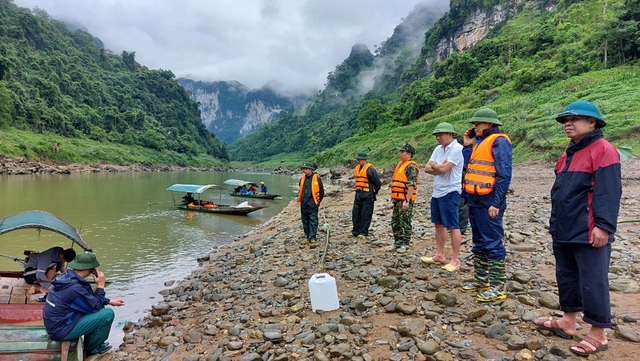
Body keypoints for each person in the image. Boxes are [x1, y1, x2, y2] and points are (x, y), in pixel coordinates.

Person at [532, 100, 621, 357]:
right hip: (564, 227)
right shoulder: (568, 154)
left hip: (588, 229)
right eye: (564, 121)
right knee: (567, 275)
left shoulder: (603, 150)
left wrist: (603, 226)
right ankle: (568, 321)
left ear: (592, 122)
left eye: (574, 119)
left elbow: (608, 192)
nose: (567, 124)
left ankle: (597, 333)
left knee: (593, 281)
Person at [461, 108, 512, 302]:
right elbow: (469, 166)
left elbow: (504, 174)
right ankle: (481, 280)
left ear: (489, 124)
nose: (474, 127)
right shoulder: (479, 143)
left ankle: (498, 286)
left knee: (492, 241)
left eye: (477, 124)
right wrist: (467, 146)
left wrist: (497, 203)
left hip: (490, 200)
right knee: (479, 242)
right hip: (474, 198)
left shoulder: (500, 141)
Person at [43, 252, 125, 356]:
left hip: (55, 325)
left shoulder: (67, 277)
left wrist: (109, 301)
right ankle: (94, 349)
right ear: (91, 270)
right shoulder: (74, 288)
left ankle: (90, 343)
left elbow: (87, 299)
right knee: (107, 314)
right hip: (60, 330)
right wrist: (100, 286)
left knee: (101, 306)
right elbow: (93, 306)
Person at [421, 123, 464, 272]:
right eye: (436, 135)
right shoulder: (438, 149)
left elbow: (445, 169)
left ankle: (455, 260)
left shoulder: (457, 149)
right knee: (438, 224)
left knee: (453, 225)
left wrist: (436, 166)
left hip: (450, 191)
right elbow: (426, 168)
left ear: (450, 134)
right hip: (437, 191)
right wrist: (438, 166)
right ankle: (439, 255)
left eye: (441, 134)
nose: (438, 137)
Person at [389, 143, 419, 253]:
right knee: (395, 222)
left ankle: (405, 244)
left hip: (405, 199)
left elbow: (412, 185)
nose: (399, 154)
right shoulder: (400, 165)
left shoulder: (411, 167)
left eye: (402, 152)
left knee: (405, 222)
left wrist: (407, 201)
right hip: (397, 199)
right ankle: (397, 243)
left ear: (409, 154)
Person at [351, 151, 381, 238]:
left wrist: (374, 192)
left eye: (359, 159)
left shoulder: (370, 169)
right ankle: (355, 231)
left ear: (364, 160)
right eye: (357, 159)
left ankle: (363, 232)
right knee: (356, 213)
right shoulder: (357, 168)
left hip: (368, 194)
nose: (358, 161)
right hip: (359, 194)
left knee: (366, 214)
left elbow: (377, 183)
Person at [297, 162, 324, 243]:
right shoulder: (302, 178)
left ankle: (312, 237)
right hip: (304, 203)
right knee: (305, 220)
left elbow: (321, 192)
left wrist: (317, 202)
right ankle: (307, 235)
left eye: (306, 169)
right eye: (303, 169)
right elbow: (300, 188)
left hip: (313, 203)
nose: (304, 170)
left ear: (311, 169)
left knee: (313, 220)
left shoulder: (317, 178)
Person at [457, 129, 474, 235]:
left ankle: (461, 227)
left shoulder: (466, 151)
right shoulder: (470, 150)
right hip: (466, 180)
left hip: (464, 180)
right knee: (463, 204)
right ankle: (460, 226)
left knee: (462, 204)